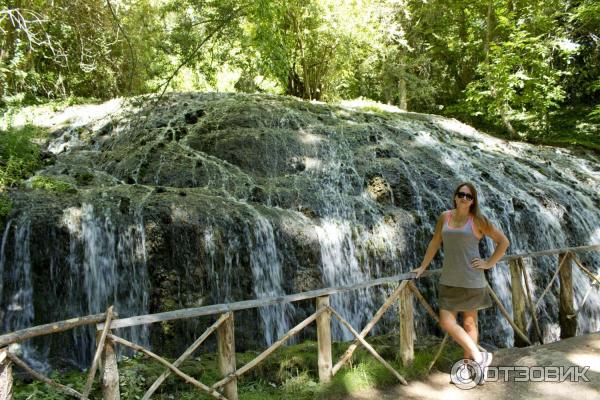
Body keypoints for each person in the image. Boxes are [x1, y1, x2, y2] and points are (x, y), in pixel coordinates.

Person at [412, 182, 510, 379]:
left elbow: (503, 242)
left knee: (469, 325)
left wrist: (489, 263)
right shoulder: (444, 217)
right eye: (461, 194)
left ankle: (467, 367)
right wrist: (423, 266)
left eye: (469, 196)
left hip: (472, 280)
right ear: (455, 197)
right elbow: (435, 241)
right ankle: (479, 355)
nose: (464, 198)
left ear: (473, 201)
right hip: (449, 279)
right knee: (446, 322)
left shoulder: (478, 220)